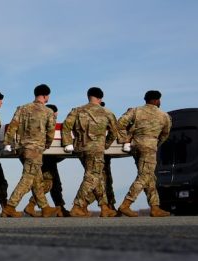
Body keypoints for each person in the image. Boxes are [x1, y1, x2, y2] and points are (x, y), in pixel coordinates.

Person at [1, 84, 59, 218]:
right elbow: (51, 132)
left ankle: (45, 208)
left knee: (37, 179)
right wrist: (47, 144)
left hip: (22, 148)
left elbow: (13, 125)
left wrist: (7, 142)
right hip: (35, 149)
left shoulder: (22, 108)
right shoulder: (48, 112)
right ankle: (10, 206)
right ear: (45, 96)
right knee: (27, 178)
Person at [62, 87, 119, 218]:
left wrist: (68, 143)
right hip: (96, 149)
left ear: (88, 96)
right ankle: (77, 206)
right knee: (93, 176)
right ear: (100, 98)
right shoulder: (107, 112)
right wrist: (105, 144)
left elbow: (66, 127)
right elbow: (114, 132)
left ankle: (104, 207)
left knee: (96, 176)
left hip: (80, 148)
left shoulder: (77, 110)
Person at [116, 90, 172, 217]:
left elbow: (120, 124)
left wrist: (125, 140)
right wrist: (155, 144)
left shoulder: (135, 111)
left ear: (146, 99)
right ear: (157, 100)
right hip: (150, 147)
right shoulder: (164, 116)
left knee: (149, 176)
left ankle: (155, 207)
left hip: (136, 146)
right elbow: (165, 134)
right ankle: (126, 204)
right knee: (144, 176)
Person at [23, 104, 68, 217]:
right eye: (55, 116)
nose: (55, 119)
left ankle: (60, 208)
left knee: (56, 184)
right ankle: (31, 204)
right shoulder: (46, 125)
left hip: (49, 158)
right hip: (45, 158)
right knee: (48, 183)